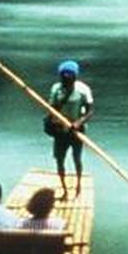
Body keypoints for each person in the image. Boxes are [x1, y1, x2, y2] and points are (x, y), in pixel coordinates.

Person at [45, 58, 94, 197]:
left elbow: (90, 111)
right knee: (59, 159)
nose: (65, 80)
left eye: (69, 78)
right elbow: (51, 108)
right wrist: (53, 120)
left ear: (75, 77)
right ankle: (65, 190)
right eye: (63, 77)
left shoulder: (83, 90)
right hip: (60, 130)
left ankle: (78, 185)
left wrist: (78, 123)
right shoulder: (56, 89)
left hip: (77, 131)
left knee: (77, 158)